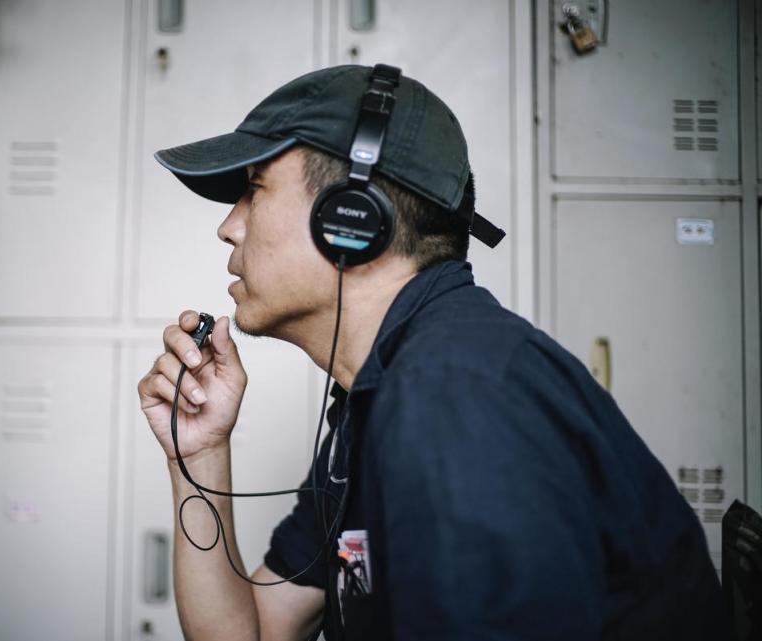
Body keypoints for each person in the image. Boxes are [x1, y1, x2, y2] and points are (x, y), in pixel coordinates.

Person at [136, 64, 725, 640]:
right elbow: (258, 632)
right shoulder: (377, 394)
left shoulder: (458, 396)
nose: (229, 227)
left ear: (351, 219)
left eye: (254, 190)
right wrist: (200, 454)